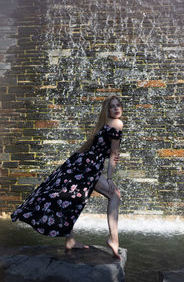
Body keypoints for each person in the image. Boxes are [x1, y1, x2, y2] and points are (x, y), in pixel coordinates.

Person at [11, 95, 123, 258]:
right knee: (115, 196)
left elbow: (97, 149)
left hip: (79, 163)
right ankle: (113, 240)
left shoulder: (103, 125)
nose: (116, 108)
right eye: (112, 106)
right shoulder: (117, 124)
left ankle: (70, 240)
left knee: (69, 199)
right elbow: (114, 153)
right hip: (89, 167)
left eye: (118, 105)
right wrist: (110, 178)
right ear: (107, 109)